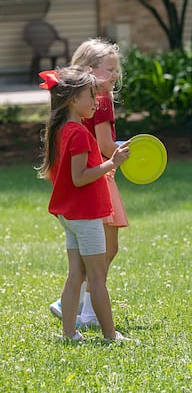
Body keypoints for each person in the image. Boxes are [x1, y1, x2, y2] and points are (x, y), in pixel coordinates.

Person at [37, 67, 130, 342]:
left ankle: (69, 334)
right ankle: (111, 336)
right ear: (72, 99)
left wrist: (103, 167)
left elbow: (74, 175)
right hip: (85, 216)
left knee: (75, 274)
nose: (96, 101)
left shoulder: (61, 130)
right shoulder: (77, 133)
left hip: (71, 215)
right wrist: (112, 163)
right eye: (91, 96)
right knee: (97, 277)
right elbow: (79, 178)